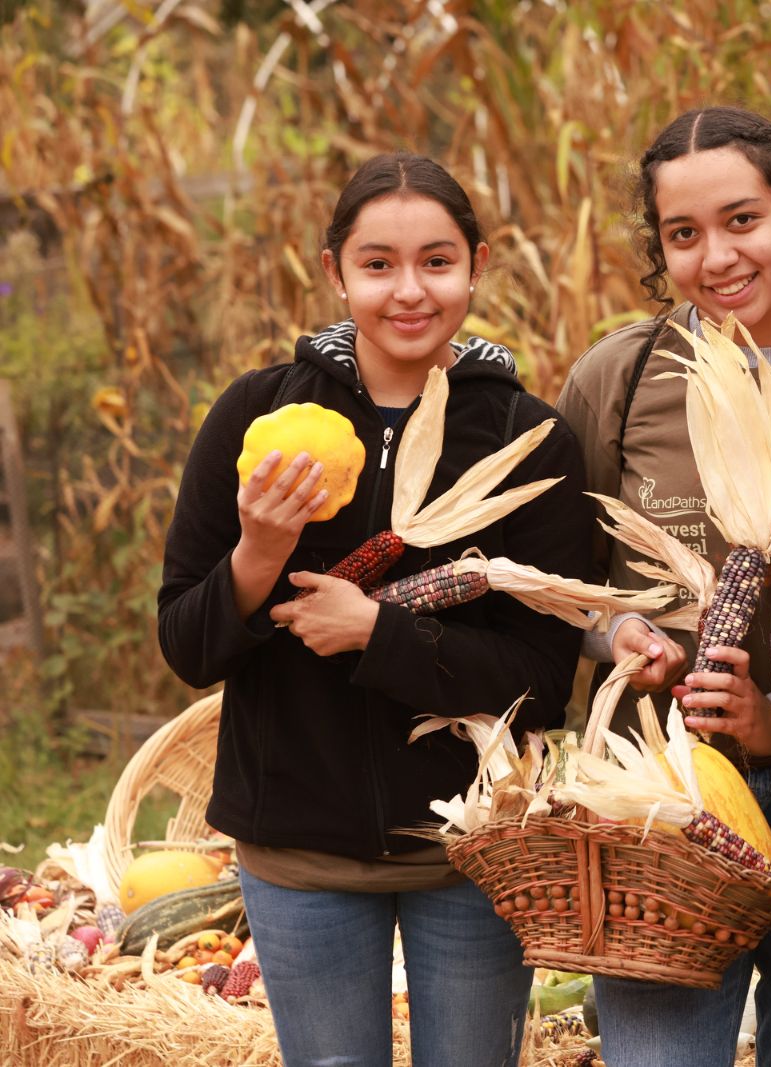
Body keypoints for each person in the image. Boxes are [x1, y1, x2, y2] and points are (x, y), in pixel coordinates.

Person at [157, 152, 591, 1067]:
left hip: (472, 851)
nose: (409, 291)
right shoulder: (255, 414)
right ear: (333, 271)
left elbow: (547, 681)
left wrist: (380, 635)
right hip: (296, 846)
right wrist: (259, 555)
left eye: (437, 261)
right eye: (377, 264)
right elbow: (187, 644)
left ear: (478, 262)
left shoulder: (528, 438)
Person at [555, 106, 771, 1067]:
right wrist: (618, 631)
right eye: (684, 234)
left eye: (743, 220)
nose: (717, 255)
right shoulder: (622, 377)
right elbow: (561, 582)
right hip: (662, 809)